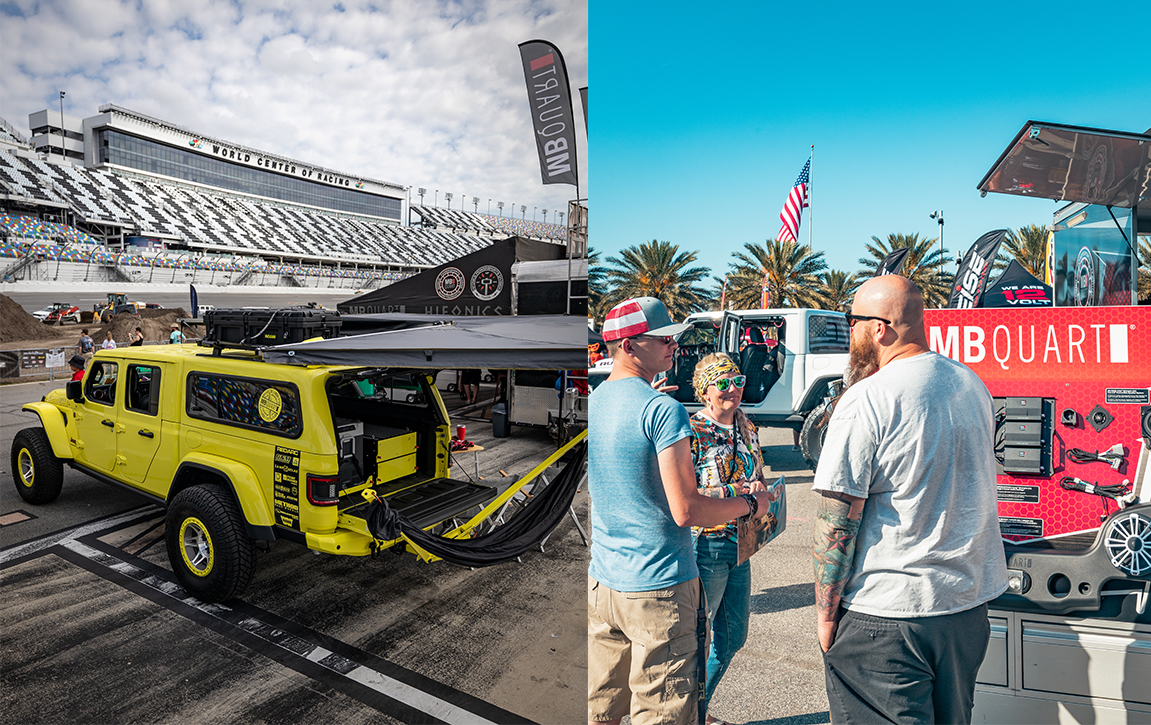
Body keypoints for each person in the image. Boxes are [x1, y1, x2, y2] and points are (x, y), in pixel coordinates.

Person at [811, 275, 1008, 725]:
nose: (851, 333)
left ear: (878, 328)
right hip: (963, 609)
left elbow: (837, 517)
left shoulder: (867, 398)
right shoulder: (969, 383)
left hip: (888, 615)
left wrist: (826, 614)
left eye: (852, 322)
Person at [588, 297, 778, 725]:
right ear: (629, 346)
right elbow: (686, 510)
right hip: (659, 584)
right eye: (664, 339)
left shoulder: (597, 400)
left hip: (605, 581)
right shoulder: (663, 410)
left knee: (604, 709)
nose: (674, 344)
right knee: (661, 712)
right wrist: (752, 502)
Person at [688, 353, 776, 725]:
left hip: (742, 544)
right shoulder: (691, 431)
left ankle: (696, 710)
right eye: (723, 383)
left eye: (737, 381)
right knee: (697, 641)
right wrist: (736, 491)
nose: (733, 390)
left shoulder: (748, 428)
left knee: (733, 637)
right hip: (705, 545)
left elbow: (757, 477)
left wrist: (760, 488)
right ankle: (692, 715)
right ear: (705, 390)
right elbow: (684, 493)